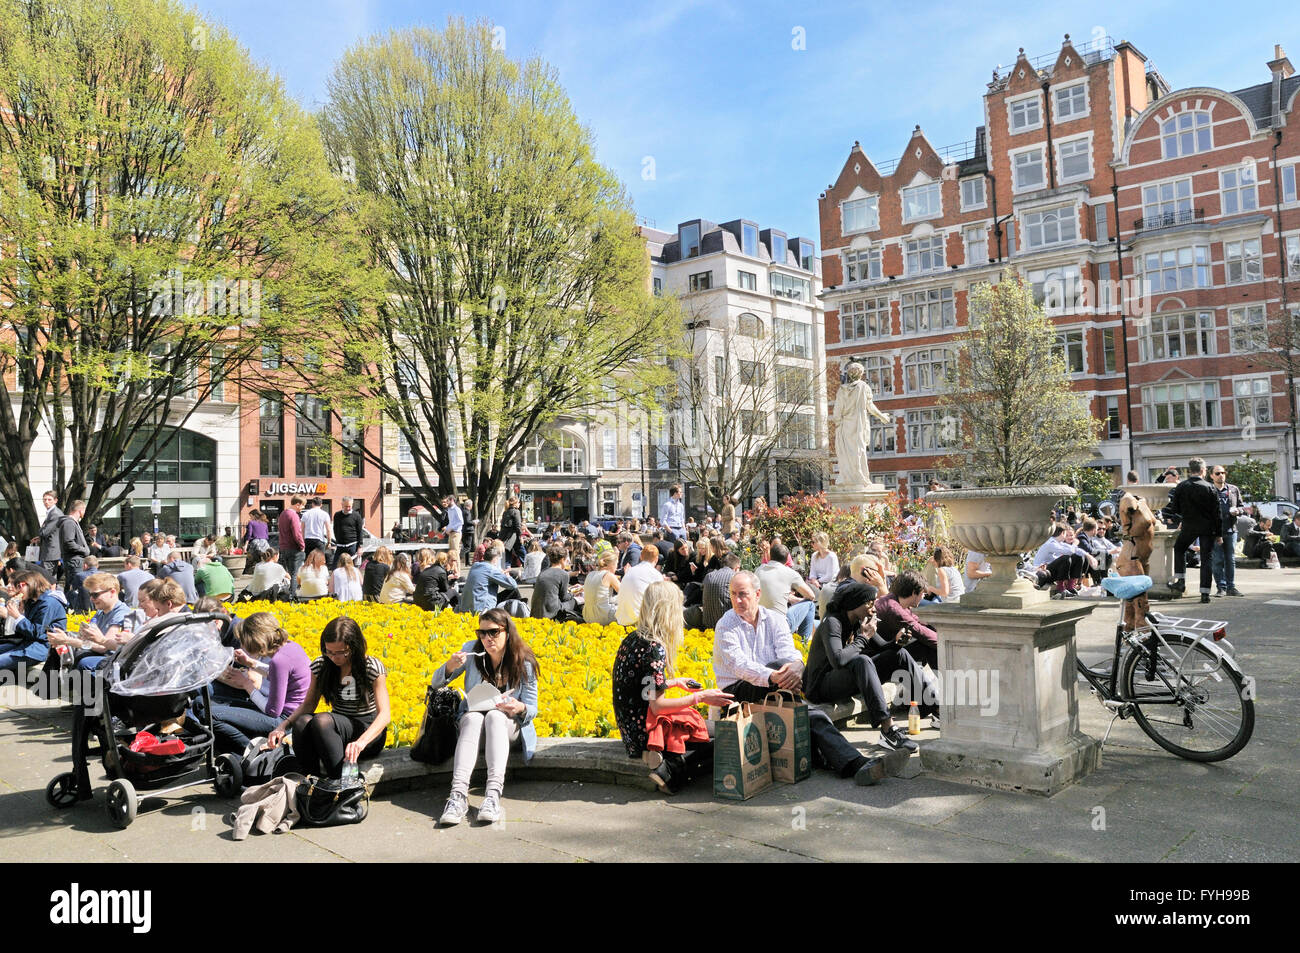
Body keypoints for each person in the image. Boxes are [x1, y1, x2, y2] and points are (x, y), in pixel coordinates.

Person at [713, 572, 898, 785]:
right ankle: (848, 761)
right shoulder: (726, 624)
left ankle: (851, 763)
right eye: (733, 594)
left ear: (757, 594)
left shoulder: (773, 619)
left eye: (743, 594)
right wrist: (776, 676)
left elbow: (790, 654)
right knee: (794, 694)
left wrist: (795, 669)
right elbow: (740, 666)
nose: (737, 600)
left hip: (776, 685)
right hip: (738, 690)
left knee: (809, 713)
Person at [612, 582, 731, 792]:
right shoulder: (654, 648)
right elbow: (658, 707)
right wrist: (701, 697)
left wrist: (674, 682)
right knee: (724, 737)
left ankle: (669, 763)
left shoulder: (634, 638)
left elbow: (642, 687)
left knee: (708, 731)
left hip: (630, 729)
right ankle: (670, 771)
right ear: (669, 610)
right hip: (646, 730)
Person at [433, 609, 540, 826]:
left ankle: (492, 796)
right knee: (473, 718)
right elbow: (436, 684)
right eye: (481, 633)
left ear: (507, 632)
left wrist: (518, 707)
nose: (486, 639)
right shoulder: (471, 653)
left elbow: (532, 709)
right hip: (473, 727)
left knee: (494, 716)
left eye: (493, 632)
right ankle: (458, 796)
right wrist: (449, 667)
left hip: (507, 725)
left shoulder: (523, 660)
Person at [804, 582, 927, 754]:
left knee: (899, 655)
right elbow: (838, 660)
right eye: (869, 603)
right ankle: (887, 729)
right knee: (862, 661)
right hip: (821, 687)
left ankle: (931, 705)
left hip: (845, 679)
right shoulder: (832, 622)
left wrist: (897, 642)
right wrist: (863, 638)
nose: (873, 608)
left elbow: (883, 648)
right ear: (854, 604)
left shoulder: (859, 620)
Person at [267, 617, 390, 780]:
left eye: (341, 652)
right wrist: (282, 726)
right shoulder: (321, 665)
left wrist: (361, 742)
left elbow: (385, 715)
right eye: (329, 651)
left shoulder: (371, 667)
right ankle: (310, 779)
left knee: (322, 721)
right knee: (302, 722)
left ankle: (339, 783)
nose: (334, 657)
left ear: (354, 647)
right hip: (337, 729)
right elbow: (309, 704)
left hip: (367, 731)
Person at [211, 612, 311, 754]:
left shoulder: (279, 661)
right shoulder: (290, 646)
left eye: (243, 640)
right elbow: (278, 674)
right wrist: (251, 663)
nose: (242, 644)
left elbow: (272, 711)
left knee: (212, 716)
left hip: (284, 720)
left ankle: (253, 751)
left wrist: (246, 684)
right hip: (294, 715)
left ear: (254, 641)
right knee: (205, 706)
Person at [47, 571, 131, 671]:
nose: (91, 599)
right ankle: (51, 684)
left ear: (112, 592)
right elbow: (86, 641)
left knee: (84, 661)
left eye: (95, 595)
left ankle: (52, 683)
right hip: (98, 654)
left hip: (112, 660)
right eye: (90, 594)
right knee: (59, 648)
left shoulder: (121, 613)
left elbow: (103, 647)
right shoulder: (100, 612)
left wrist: (67, 640)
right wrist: (66, 638)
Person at [1165, 458, 1219, 603]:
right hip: (1208, 528)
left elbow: (1174, 509)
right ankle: (1205, 594)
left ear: (1190, 470)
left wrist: (1182, 519)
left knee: (1179, 548)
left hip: (1189, 525)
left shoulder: (1182, 486)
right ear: (1202, 470)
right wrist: (1218, 533)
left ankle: (1181, 581)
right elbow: (1216, 513)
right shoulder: (1210, 487)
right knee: (1207, 558)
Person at [1, 570, 68, 675]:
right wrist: (20, 613)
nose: (18, 589)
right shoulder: (32, 601)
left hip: (39, 649)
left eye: (20, 586)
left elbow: (38, 633)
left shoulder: (48, 603)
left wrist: (18, 617)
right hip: (26, 643)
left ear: (31, 584)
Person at [873, 571, 939, 671]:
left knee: (930, 630)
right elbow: (920, 632)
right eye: (922, 593)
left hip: (887, 649)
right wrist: (947, 643)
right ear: (913, 592)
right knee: (925, 644)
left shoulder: (893, 600)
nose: (923, 597)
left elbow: (919, 622)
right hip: (879, 656)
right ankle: (947, 679)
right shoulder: (894, 609)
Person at [755, 543, 817, 643]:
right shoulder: (790, 573)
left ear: (770, 556)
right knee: (810, 605)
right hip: (780, 627)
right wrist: (797, 599)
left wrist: (788, 597)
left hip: (761, 624)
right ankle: (802, 645)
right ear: (787, 559)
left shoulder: (759, 570)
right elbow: (811, 596)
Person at [1208, 465, 1246, 597]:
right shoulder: (1209, 490)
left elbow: (1242, 507)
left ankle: (1231, 587)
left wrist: (1238, 511)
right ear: (1211, 475)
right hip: (1215, 531)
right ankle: (1221, 587)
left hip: (1231, 529)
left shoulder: (1233, 489)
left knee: (1230, 559)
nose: (1221, 475)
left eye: (1223, 473)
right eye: (1217, 473)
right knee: (1218, 559)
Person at [1030, 523, 1095, 597]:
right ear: (1062, 533)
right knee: (1065, 558)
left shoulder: (1058, 542)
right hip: (1043, 572)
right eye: (1065, 534)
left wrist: (1088, 556)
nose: (1066, 536)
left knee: (1078, 556)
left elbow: (1076, 550)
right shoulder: (1050, 543)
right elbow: (1068, 551)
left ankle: (1070, 586)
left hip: (1050, 570)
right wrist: (1074, 544)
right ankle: (1060, 588)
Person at [457, 540, 521, 613]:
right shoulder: (491, 570)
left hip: (466, 607)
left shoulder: (475, 566)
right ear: (495, 559)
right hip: (482, 609)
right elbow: (513, 585)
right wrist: (507, 575)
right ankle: (520, 614)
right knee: (514, 591)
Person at [615, 544, 665, 627]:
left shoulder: (630, 571)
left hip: (621, 618)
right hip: (639, 621)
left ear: (641, 557)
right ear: (656, 559)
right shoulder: (656, 575)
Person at [530, 544, 582, 622]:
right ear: (562, 560)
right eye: (566, 560)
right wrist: (575, 593)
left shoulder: (544, 572)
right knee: (577, 600)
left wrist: (570, 589)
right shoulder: (563, 574)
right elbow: (564, 598)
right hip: (552, 611)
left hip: (536, 612)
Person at [58, 500, 90, 600]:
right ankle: (71, 610)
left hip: (75, 561)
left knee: (73, 587)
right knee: (74, 588)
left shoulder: (72, 523)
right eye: (84, 510)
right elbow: (68, 543)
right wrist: (84, 550)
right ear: (80, 510)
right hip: (74, 561)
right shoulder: (69, 523)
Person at [277, 496, 307, 598]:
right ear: (297, 504)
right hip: (294, 549)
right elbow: (297, 533)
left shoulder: (283, 514)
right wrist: (302, 545)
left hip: (283, 547)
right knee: (294, 574)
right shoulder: (293, 515)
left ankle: (284, 595)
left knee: (285, 574)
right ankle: (293, 597)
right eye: (302, 505)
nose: (302, 508)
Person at [582, 548, 621, 625]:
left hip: (588, 616)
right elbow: (625, 593)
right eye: (616, 564)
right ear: (611, 564)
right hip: (602, 617)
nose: (616, 568)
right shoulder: (609, 575)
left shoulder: (590, 574)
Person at [35, 491, 64, 582]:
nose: (46, 502)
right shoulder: (51, 512)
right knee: (51, 579)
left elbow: (44, 532)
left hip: (51, 552)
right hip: (51, 551)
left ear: (55, 500)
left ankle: (48, 595)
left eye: (49, 499)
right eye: (44, 500)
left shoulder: (55, 513)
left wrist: (41, 531)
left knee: (46, 578)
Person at [332, 496, 365, 570]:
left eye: (349, 506)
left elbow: (360, 532)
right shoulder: (337, 515)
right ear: (342, 505)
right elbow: (335, 529)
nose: (348, 508)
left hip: (352, 545)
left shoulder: (356, 515)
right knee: (335, 567)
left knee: (351, 568)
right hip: (340, 546)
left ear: (352, 505)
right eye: (346, 506)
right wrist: (337, 541)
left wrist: (360, 547)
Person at [243, 509, 271, 576]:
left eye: (251, 516)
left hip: (255, 542)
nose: (250, 518)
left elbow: (249, 534)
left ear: (254, 516)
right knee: (265, 559)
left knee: (250, 558)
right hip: (265, 542)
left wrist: (246, 545)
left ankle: (246, 571)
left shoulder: (251, 522)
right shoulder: (265, 523)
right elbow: (267, 535)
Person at [499, 498, 525, 569]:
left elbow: (502, 525)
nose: (519, 504)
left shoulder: (505, 512)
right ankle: (528, 566)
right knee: (521, 551)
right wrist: (520, 536)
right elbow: (518, 526)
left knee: (507, 553)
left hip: (505, 536)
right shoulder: (516, 512)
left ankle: (507, 569)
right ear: (515, 503)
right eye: (518, 502)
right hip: (514, 535)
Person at [443, 496, 465, 576]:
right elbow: (451, 522)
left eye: (447, 501)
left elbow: (461, 522)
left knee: (455, 553)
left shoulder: (457, 509)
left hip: (456, 533)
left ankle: (458, 572)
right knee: (451, 553)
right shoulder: (449, 510)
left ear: (452, 500)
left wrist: (450, 528)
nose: (446, 502)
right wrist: (446, 530)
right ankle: (452, 570)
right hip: (451, 533)